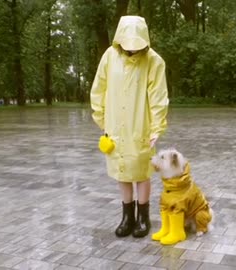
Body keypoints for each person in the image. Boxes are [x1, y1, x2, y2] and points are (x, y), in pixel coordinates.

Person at [90, 15, 169, 238]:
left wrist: (156, 128)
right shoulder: (109, 56)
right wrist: (102, 119)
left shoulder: (154, 61)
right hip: (114, 126)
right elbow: (99, 89)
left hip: (141, 126)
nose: (132, 50)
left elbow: (158, 97)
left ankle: (143, 217)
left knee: (141, 172)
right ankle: (127, 216)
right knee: (121, 172)